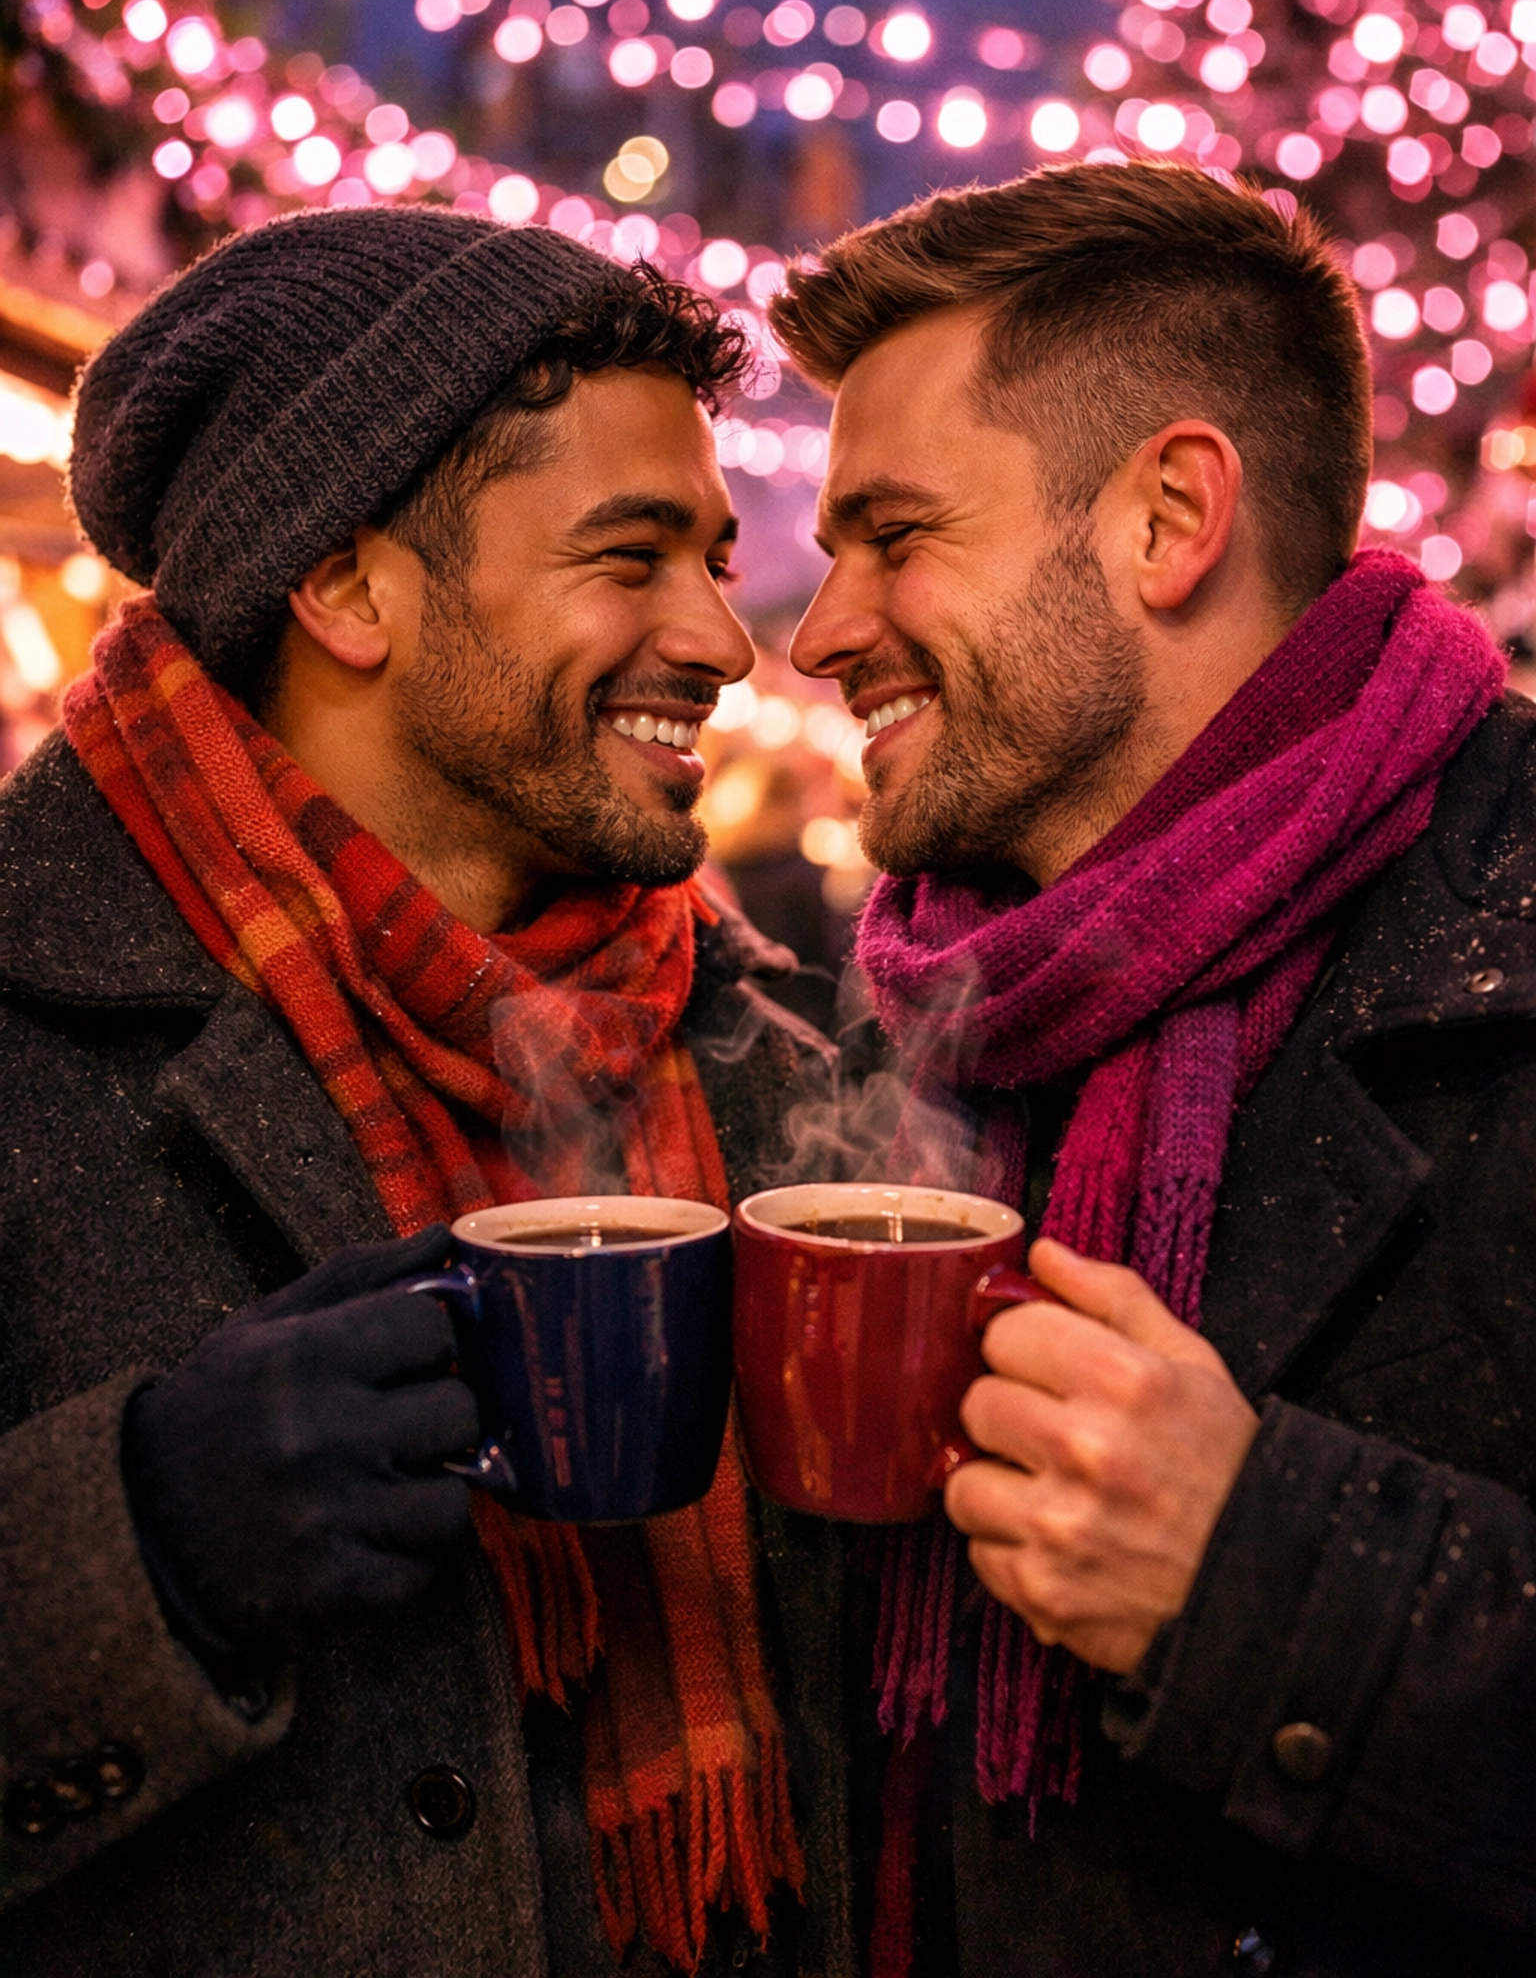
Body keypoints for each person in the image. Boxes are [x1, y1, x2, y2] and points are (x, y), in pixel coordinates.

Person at [0, 210, 846, 1978]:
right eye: (632, 555)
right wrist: (138, 1537)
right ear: (347, 582)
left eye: (716, 554)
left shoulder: (767, 1058)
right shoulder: (30, 1003)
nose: (725, 636)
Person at [774, 160, 1536, 1978]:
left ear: (1169, 515)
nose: (817, 633)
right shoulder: (951, 994)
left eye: (895, 534)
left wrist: (1264, 1574)